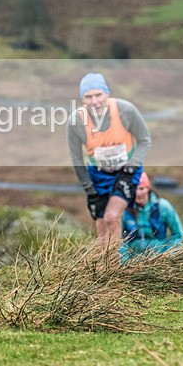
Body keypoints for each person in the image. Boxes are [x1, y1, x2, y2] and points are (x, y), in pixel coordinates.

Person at [67, 72, 152, 253]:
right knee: (101, 225)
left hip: (126, 171)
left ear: (107, 94)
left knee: (112, 217)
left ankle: (115, 269)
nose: (95, 101)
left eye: (98, 95)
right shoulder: (76, 121)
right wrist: (88, 188)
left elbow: (145, 140)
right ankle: (106, 268)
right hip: (97, 174)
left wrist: (132, 167)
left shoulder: (126, 110)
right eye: (88, 97)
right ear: (82, 99)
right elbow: (76, 159)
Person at [120, 172, 183, 262]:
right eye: (134, 189)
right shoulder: (124, 210)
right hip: (133, 263)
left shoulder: (163, 206)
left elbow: (178, 235)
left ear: (148, 188)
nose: (138, 193)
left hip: (161, 261)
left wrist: (169, 255)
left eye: (141, 189)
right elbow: (119, 241)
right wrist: (125, 262)